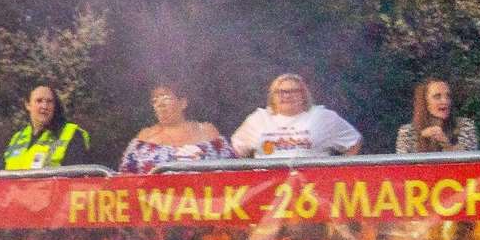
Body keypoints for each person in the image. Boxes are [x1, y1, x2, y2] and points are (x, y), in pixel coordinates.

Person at [231, 73, 362, 158]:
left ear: (303, 95)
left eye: (293, 91)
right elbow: (235, 152)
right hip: (268, 193)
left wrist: (339, 175)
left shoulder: (322, 116)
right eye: (280, 92)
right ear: (272, 96)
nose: (286, 96)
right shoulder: (257, 119)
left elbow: (354, 142)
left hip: (314, 191)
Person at [119, 82, 235, 173]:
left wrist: (202, 164)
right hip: (156, 201)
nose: (160, 104)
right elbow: (125, 179)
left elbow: (234, 173)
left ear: (183, 103)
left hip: (204, 200)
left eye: (166, 98)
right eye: (155, 101)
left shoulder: (206, 131)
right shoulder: (145, 137)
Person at [3, 85, 91, 169]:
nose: (44, 106)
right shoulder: (16, 138)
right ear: (28, 105)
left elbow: (77, 180)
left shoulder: (71, 134)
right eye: (39, 101)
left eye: (49, 101)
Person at [396, 79, 478, 154]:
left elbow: (468, 162)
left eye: (448, 96)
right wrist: (422, 140)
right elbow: (404, 167)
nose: (445, 101)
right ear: (424, 102)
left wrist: (446, 144)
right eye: (437, 96)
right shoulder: (407, 132)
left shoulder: (465, 126)